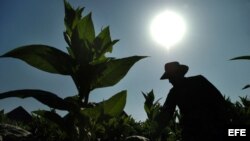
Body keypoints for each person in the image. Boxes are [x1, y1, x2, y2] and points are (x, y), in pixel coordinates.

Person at [158, 61, 228, 141]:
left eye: (170, 77)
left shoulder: (175, 91)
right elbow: (220, 100)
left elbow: (165, 114)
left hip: (198, 132)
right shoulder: (199, 80)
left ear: (178, 74)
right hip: (211, 130)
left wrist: (155, 131)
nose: (169, 81)